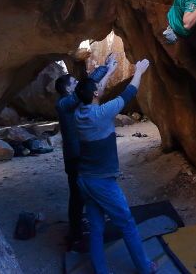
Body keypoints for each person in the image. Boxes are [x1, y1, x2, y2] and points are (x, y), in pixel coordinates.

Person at [75, 57, 157, 274]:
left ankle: (101, 271)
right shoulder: (101, 114)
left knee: (96, 228)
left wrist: (109, 71)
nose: (100, 88)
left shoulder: (79, 113)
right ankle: (145, 267)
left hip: (84, 178)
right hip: (101, 181)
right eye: (97, 88)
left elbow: (95, 88)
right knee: (127, 223)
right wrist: (138, 71)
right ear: (94, 94)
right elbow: (129, 93)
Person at [54, 55, 118, 251]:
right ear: (67, 88)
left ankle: (84, 226)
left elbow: (88, 86)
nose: (77, 84)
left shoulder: (73, 103)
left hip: (80, 155)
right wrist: (106, 69)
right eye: (73, 83)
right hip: (75, 158)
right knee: (77, 196)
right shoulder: (64, 104)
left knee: (84, 193)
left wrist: (106, 67)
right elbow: (86, 87)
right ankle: (75, 233)